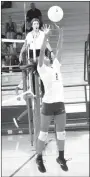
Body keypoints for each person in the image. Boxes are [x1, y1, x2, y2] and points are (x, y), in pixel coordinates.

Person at [35, 25, 69, 173]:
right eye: (45, 57)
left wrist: (61, 33)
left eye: (49, 56)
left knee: (61, 133)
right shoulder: (41, 68)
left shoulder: (55, 66)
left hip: (59, 103)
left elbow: (59, 49)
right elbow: (42, 51)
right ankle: (39, 158)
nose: (48, 57)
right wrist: (46, 36)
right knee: (43, 133)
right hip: (48, 104)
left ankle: (61, 157)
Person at [19, 18, 53, 95]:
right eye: (34, 24)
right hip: (32, 54)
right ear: (32, 26)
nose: (36, 25)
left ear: (39, 25)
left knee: (42, 72)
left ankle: (44, 92)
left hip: (40, 53)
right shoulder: (29, 35)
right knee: (33, 73)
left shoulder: (42, 33)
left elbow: (47, 44)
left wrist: (51, 51)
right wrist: (21, 53)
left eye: (37, 24)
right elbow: (25, 45)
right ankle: (34, 92)